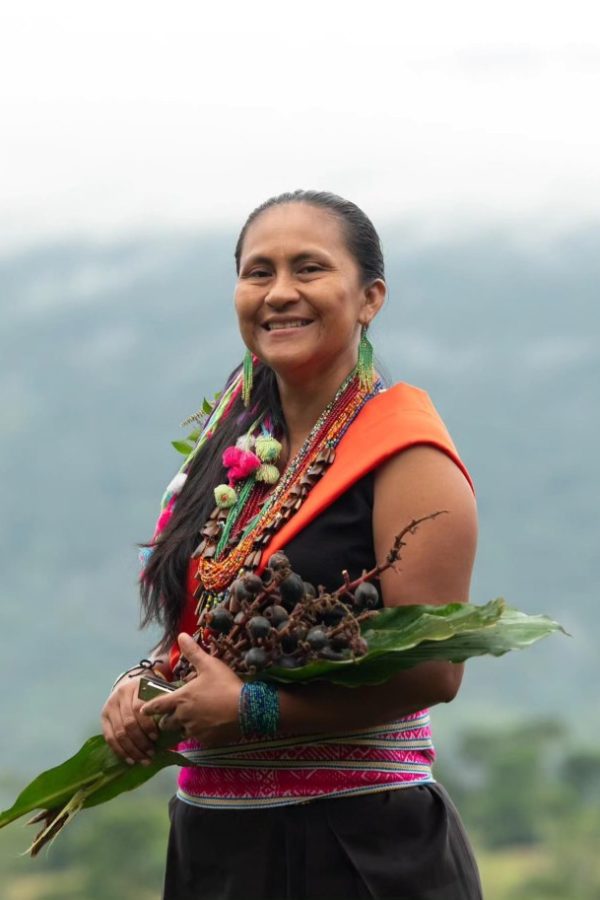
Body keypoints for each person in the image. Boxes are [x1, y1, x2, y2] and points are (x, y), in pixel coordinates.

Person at [101, 190, 483, 899]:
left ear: (370, 297)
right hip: (213, 843)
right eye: (258, 272)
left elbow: (435, 673)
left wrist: (254, 711)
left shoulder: (406, 455)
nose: (279, 293)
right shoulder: (232, 445)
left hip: (356, 845)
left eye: (308, 269)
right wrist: (146, 681)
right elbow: (206, 621)